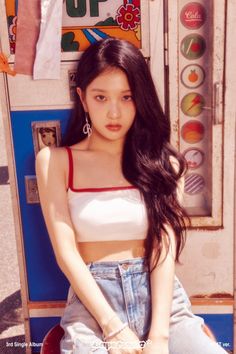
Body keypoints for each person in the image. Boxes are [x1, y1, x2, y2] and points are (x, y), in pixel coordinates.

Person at [36, 38, 227, 354]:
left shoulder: (166, 164)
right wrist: (113, 327)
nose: (114, 112)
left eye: (126, 97)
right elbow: (66, 253)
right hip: (92, 305)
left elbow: (162, 250)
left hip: (162, 303)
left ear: (141, 98)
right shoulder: (56, 162)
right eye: (101, 97)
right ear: (82, 99)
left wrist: (159, 337)